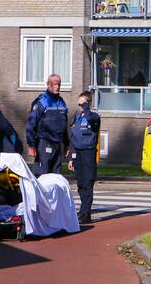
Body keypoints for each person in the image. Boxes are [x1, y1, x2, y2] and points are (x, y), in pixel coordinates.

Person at [25, 73, 68, 176]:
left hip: (57, 144)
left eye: (59, 84)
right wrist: (31, 145)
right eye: (54, 84)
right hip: (44, 143)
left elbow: (64, 125)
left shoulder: (61, 102)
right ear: (48, 84)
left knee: (56, 177)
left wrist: (67, 144)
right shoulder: (41, 101)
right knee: (42, 176)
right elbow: (31, 124)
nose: (57, 87)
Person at [68, 91, 101, 225]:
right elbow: (73, 137)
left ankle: (85, 213)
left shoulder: (94, 117)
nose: (80, 106)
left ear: (88, 104)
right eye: (79, 104)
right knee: (80, 184)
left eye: (83, 104)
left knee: (87, 183)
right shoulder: (76, 117)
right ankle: (83, 211)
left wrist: (86, 108)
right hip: (78, 154)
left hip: (88, 153)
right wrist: (71, 157)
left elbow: (91, 119)